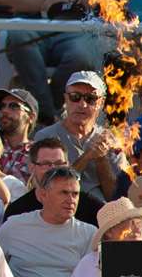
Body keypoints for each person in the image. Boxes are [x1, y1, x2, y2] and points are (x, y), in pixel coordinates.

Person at [0, 164, 97, 277]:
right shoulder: (13, 226)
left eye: (75, 194)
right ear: (42, 195)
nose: (71, 200)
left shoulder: (89, 233)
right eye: (64, 193)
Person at [33, 71, 125, 200]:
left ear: (101, 102)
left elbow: (114, 198)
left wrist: (101, 159)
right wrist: (87, 156)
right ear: (66, 99)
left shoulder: (110, 140)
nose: (82, 104)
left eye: (90, 99)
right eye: (75, 96)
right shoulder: (45, 137)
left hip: (100, 215)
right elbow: (48, 188)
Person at [67, 197, 142, 277]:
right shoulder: (89, 263)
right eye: (131, 223)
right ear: (109, 231)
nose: (138, 229)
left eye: (138, 223)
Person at [0, 87, 39, 184]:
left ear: (31, 117)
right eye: (2, 106)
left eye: (13, 106)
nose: (4, 110)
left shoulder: (37, 153)